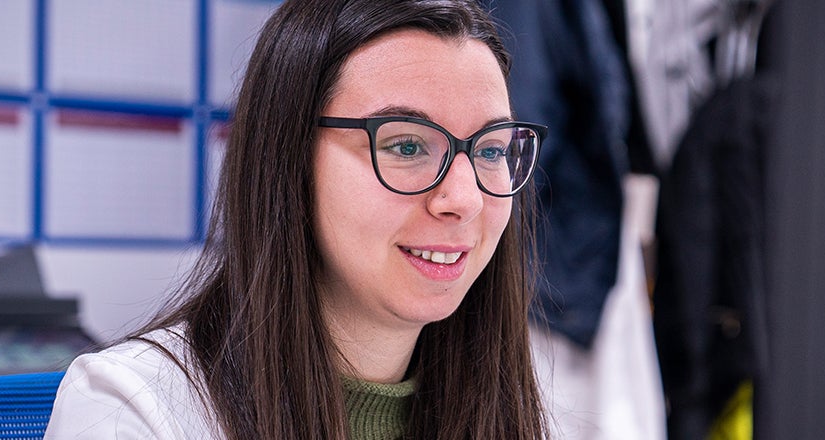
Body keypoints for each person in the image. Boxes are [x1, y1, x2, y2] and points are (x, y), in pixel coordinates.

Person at [44, 0, 550, 438]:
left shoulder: (516, 409)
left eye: (490, 150)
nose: (464, 200)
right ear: (288, 160)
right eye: (407, 145)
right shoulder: (131, 410)